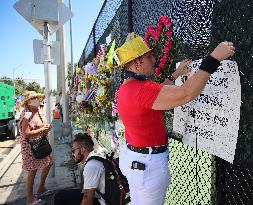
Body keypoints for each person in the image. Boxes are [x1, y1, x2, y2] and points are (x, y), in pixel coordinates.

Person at [115, 34, 235, 205]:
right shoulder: (142, 90)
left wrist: (176, 74)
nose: (154, 59)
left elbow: (157, 96)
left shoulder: (127, 87)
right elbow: (186, 93)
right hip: (147, 167)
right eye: (149, 56)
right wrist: (214, 58)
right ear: (136, 63)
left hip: (135, 160)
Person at [19, 91, 53, 205]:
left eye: (38, 98)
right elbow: (26, 133)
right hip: (30, 147)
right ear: (29, 102)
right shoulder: (27, 114)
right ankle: (30, 198)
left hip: (40, 144)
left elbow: (40, 125)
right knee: (32, 171)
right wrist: (42, 130)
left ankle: (41, 188)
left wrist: (47, 127)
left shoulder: (38, 111)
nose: (38, 100)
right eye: (35, 99)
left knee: (49, 163)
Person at [54, 133, 103, 205]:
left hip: (102, 202)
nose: (72, 154)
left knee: (60, 197)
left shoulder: (91, 166)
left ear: (83, 149)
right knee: (61, 195)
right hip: (99, 196)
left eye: (73, 151)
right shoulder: (95, 158)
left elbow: (87, 200)